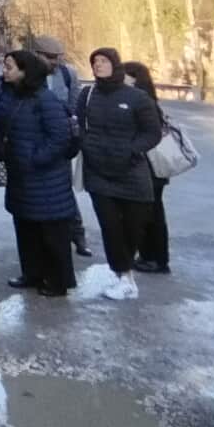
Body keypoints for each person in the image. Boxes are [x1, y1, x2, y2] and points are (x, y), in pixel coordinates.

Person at [79, 48, 164, 301]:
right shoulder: (87, 95)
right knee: (110, 227)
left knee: (132, 227)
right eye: (94, 62)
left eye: (103, 61)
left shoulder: (137, 97)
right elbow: (80, 126)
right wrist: (88, 146)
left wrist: (131, 150)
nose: (98, 65)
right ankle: (124, 276)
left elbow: (153, 132)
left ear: (115, 65)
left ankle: (125, 270)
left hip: (131, 172)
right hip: (98, 173)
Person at [0, 50, 80, 297]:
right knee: (26, 228)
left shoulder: (45, 99)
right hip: (21, 175)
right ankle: (32, 273)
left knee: (51, 233)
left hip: (45, 178)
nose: (4, 71)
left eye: (9, 67)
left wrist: (34, 159)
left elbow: (59, 138)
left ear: (25, 71)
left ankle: (57, 281)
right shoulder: (11, 94)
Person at [31, 34, 94, 258]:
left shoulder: (68, 74)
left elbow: (75, 108)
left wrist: (70, 134)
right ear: (36, 54)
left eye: (58, 57)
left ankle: (77, 235)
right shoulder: (25, 75)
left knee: (63, 190)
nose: (55, 61)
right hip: (32, 142)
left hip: (59, 143)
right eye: (50, 57)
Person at [122, 60, 174, 276]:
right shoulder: (147, 100)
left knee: (150, 215)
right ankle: (151, 256)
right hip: (154, 168)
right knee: (151, 213)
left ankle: (155, 259)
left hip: (151, 167)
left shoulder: (143, 102)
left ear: (134, 78)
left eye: (124, 75)